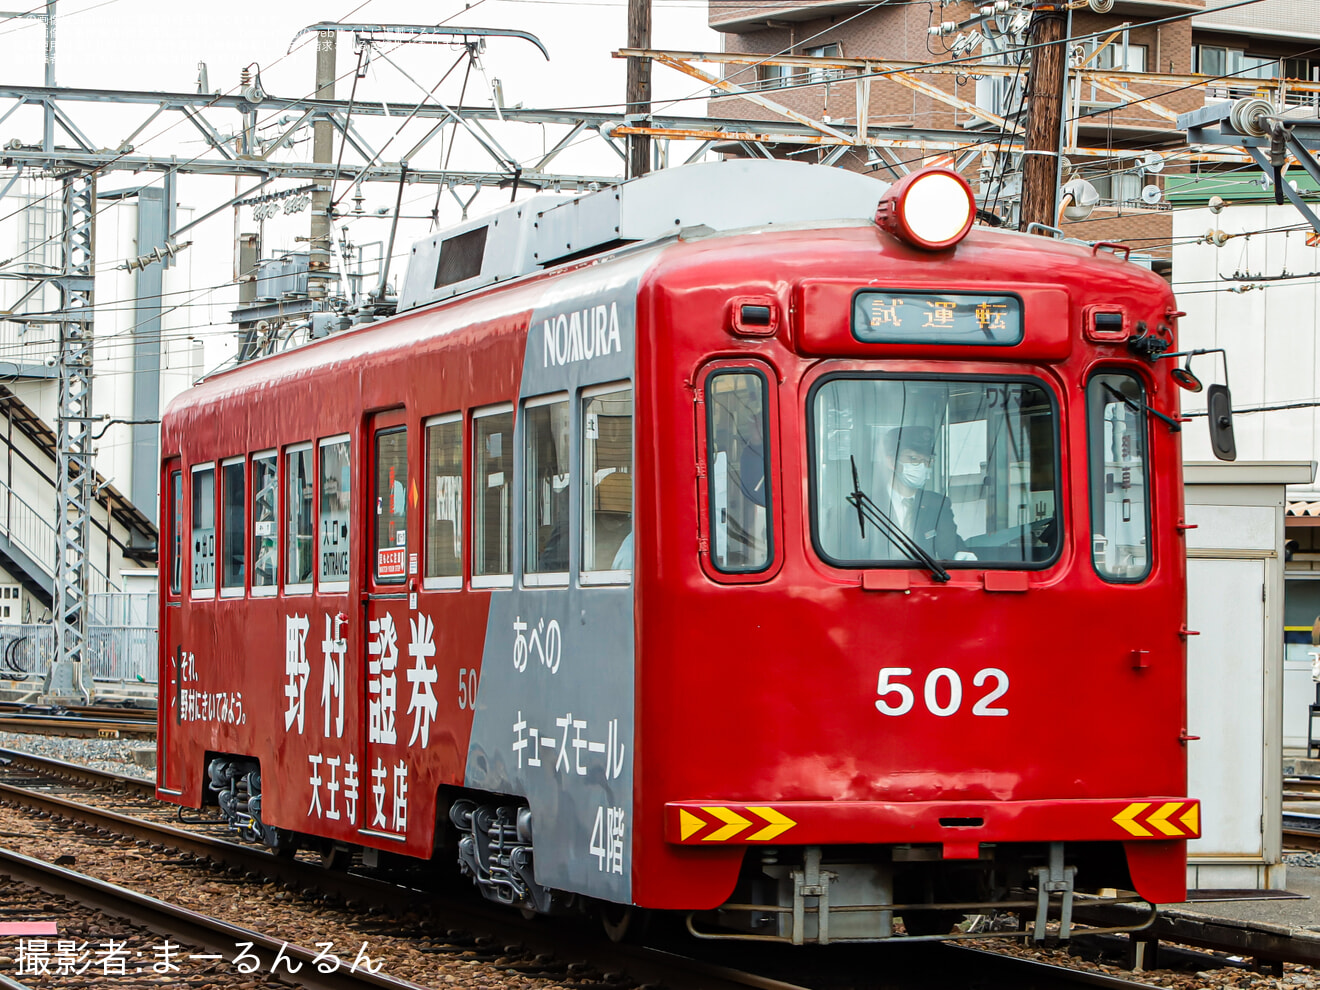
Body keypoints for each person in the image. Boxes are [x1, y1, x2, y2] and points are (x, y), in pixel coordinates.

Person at [877, 426, 976, 561]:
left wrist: (961, 555)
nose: (922, 467)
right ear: (891, 462)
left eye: (927, 461)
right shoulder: (866, 505)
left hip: (924, 579)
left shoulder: (937, 504)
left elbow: (949, 547)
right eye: (913, 458)